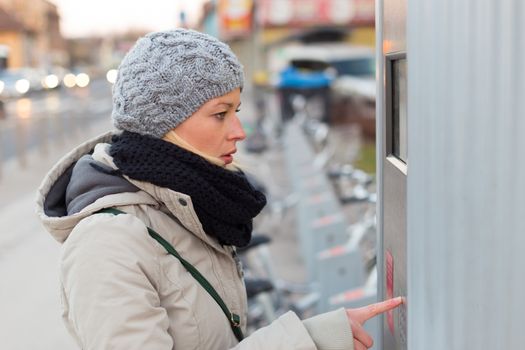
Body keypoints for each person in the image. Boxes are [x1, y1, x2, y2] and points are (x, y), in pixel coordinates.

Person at [36, 29, 401, 350]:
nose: (239, 131)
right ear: (165, 122)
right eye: (220, 113)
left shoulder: (184, 207)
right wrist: (306, 340)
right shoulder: (107, 243)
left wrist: (319, 336)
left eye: (236, 110)